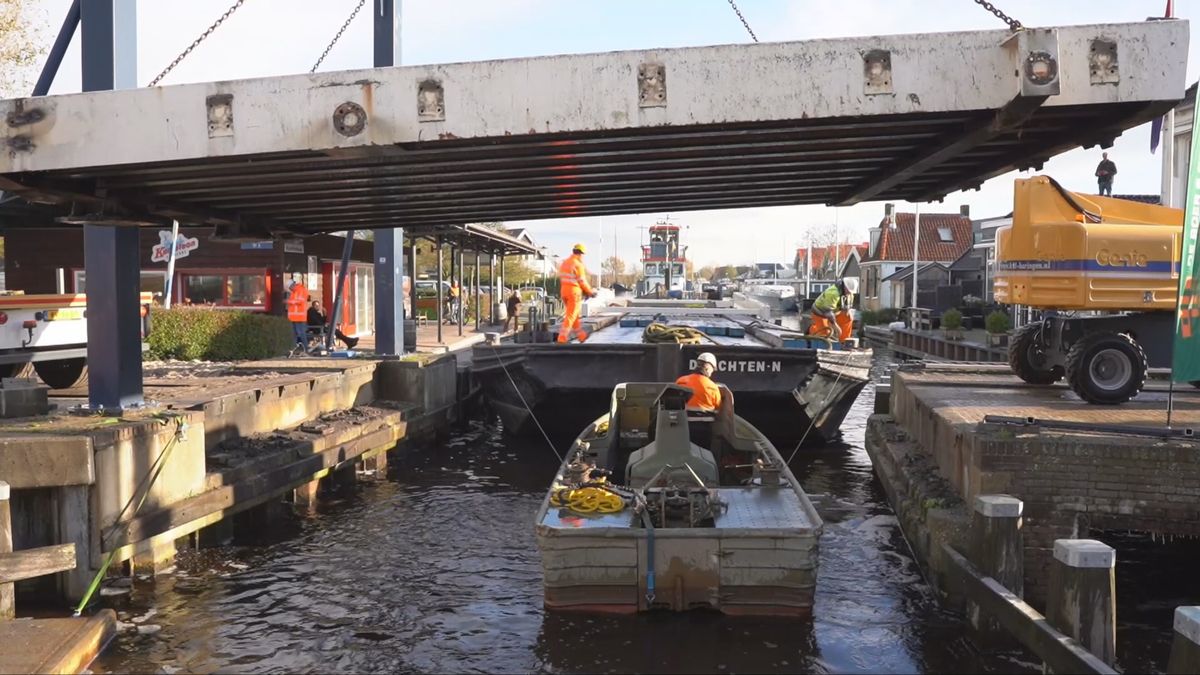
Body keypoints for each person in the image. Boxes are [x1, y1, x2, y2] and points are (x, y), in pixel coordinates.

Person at [557, 243, 596, 343]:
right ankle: (562, 339)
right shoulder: (578, 264)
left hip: (564, 292)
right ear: (581, 254)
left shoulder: (565, 263)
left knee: (573, 316)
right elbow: (582, 281)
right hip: (574, 294)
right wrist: (590, 292)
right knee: (571, 316)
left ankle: (581, 336)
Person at [808, 277, 858, 342]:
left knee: (848, 318)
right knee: (825, 333)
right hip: (820, 313)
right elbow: (828, 313)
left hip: (835, 312)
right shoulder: (833, 293)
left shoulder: (850, 295)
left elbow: (847, 309)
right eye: (848, 291)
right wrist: (836, 327)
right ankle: (812, 330)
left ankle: (844, 341)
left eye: (851, 292)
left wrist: (849, 314)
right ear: (844, 286)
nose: (849, 293)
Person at [286, 274, 310, 354]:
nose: (290, 289)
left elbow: (301, 301)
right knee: (294, 334)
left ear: (292, 285)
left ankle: (306, 349)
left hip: (299, 317)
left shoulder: (301, 290)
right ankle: (293, 349)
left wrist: (289, 302)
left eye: (290, 288)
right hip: (294, 317)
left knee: (301, 333)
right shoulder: (294, 292)